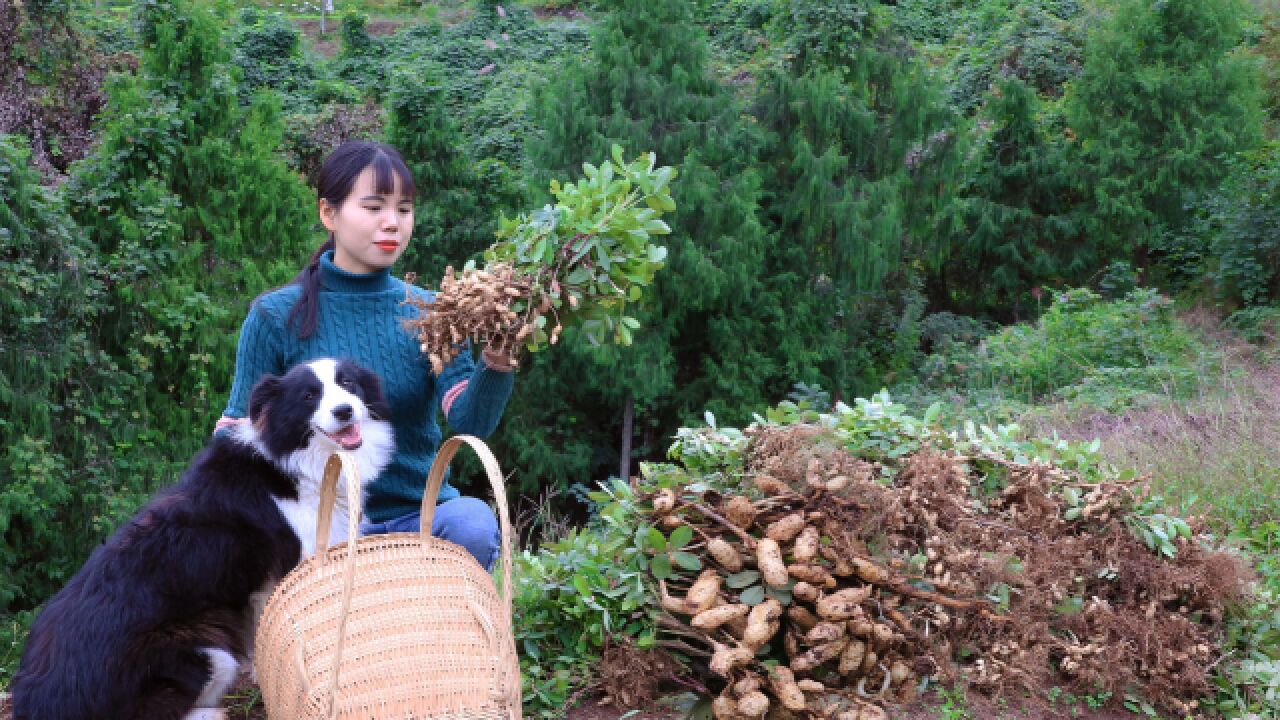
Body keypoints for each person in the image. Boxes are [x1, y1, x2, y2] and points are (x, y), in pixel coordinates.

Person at [216, 140, 515, 571]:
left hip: (419, 515)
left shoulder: (434, 313)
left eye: (404, 209)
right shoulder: (275, 316)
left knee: (472, 524)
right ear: (328, 213)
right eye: (374, 207)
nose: (392, 222)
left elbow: (471, 422)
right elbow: (235, 429)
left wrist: (497, 363)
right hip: (314, 524)